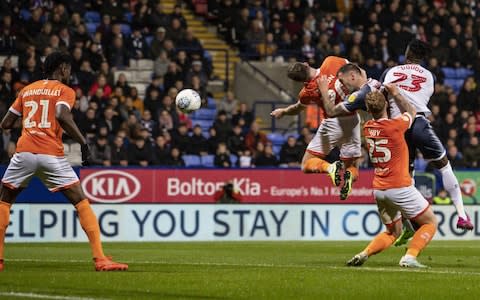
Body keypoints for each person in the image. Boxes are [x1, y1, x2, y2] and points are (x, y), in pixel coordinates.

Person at [0, 52, 127, 272]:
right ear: (62, 68)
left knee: (4, 200)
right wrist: (83, 142)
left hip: (25, 152)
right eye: (68, 69)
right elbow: (61, 114)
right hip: (51, 154)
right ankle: (100, 259)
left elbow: (6, 123)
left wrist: (32, 118)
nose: (69, 73)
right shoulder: (64, 90)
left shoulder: (27, 90)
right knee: (80, 201)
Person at [382, 39, 472, 231]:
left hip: (398, 127)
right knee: (444, 166)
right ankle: (462, 216)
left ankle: (411, 220)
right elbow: (424, 96)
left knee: (407, 175)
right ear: (422, 58)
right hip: (419, 123)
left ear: (407, 54)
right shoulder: (430, 76)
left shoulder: (390, 72)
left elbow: (381, 99)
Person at [347, 84, 437, 268]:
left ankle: (364, 253)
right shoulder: (395, 126)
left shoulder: (367, 127)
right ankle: (409, 257)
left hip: (380, 190)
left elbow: (377, 112)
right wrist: (396, 93)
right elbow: (412, 111)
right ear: (386, 106)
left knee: (393, 232)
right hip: (399, 187)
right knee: (430, 222)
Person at [271, 56, 361, 200]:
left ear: (300, 81)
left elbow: (297, 108)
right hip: (352, 119)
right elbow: (355, 70)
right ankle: (349, 177)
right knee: (352, 165)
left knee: (306, 164)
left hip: (332, 123)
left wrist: (284, 111)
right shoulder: (331, 62)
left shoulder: (306, 92)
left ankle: (330, 167)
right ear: (306, 64)